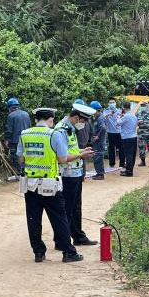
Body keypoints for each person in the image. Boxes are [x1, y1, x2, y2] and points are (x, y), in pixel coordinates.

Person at [16, 108, 85, 263]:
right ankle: (69, 252)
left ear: (36, 119)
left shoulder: (24, 134)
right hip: (50, 185)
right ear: (51, 119)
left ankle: (39, 253)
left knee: (33, 219)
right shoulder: (53, 134)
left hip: (31, 184)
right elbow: (62, 159)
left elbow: (21, 158)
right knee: (59, 218)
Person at [55, 105, 97, 246]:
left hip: (75, 173)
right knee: (67, 208)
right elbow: (62, 156)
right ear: (76, 118)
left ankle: (78, 236)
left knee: (75, 207)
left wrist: (82, 150)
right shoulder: (61, 130)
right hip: (68, 175)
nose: (83, 124)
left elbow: (69, 149)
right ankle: (62, 240)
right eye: (83, 121)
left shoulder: (70, 129)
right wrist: (81, 154)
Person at [5, 98, 31, 176]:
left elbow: (9, 129)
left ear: (10, 107)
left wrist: (7, 139)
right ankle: (27, 171)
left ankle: (20, 172)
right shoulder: (26, 114)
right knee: (26, 155)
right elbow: (29, 126)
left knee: (16, 157)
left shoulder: (11, 115)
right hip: (27, 139)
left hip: (15, 140)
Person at [117, 102, 139, 176]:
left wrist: (119, 117)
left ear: (124, 108)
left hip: (127, 137)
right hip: (133, 136)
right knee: (132, 155)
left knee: (128, 155)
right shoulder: (133, 115)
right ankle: (130, 169)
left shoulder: (126, 116)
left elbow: (118, 123)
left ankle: (129, 172)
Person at [88, 101, 107, 180]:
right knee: (96, 156)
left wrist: (98, 136)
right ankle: (99, 173)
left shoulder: (100, 118)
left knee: (98, 157)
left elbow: (103, 128)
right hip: (97, 141)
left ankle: (100, 174)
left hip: (99, 142)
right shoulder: (96, 117)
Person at [103, 99, 123, 172]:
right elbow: (103, 118)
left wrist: (120, 114)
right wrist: (110, 113)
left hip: (119, 132)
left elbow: (123, 118)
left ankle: (122, 164)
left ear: (115, 103)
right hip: (111, 132)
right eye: (110, 102)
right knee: (111, 148)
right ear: (108, 104)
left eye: (113, 102)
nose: (112, 104)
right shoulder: (106, 111)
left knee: (121, 148)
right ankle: (112, 164)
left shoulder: (119, 110)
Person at [136, 101, 149, 167]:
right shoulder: (138, 114)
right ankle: (143, 161)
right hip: (141, 133)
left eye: (144, 105)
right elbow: (136, 123)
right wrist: (138, 122)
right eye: (142, 105)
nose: (143, 107)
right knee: (141, 147)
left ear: (147, 106)